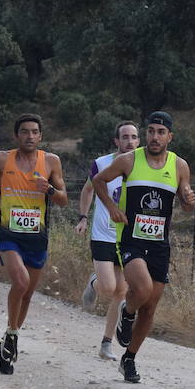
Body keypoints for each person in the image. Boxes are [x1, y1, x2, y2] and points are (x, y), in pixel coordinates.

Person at [90, 111, 195, 384]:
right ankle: (126, 312)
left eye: (161, 132)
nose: (154, 137)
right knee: (143, 289)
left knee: (149, 308)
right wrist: (112, 208)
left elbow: (185, 203)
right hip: (131, 239)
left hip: (160, 243)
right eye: (151, 131)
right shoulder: (129, 160)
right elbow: (98, 180)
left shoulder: (180, 165)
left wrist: (188, 199)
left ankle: (129, 359)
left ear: (170, 136)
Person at [0, 114, 68, 375]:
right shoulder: (2, 158)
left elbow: (63, 200)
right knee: (21, 282)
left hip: (37, 236)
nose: (29, 136)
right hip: (9, 234)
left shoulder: (51, 161)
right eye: (24, 132)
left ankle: (8, 339)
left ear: (41, 136)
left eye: (34, 132)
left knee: (27, 294)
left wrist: (48, 189)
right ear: (17, 136)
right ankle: (12, 336)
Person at [75, 121, 141, 361]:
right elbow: (88, 190)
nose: (130, 141)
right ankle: (94, 283)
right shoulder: (102, 164)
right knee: (108, 287)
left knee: (121, 291)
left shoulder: (142, 166)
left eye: (134, 137)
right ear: (117, 141)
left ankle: (106, 343)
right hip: (103, 233)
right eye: (125, 137)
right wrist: (83, 217)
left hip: (128, 237)